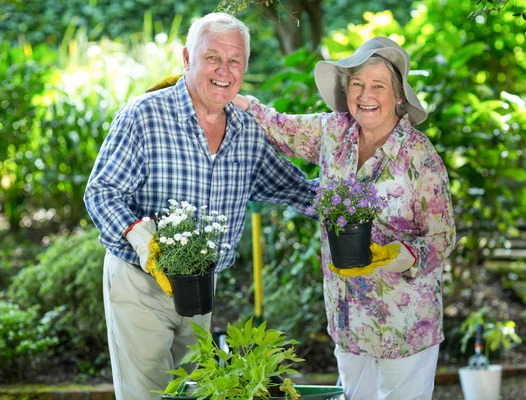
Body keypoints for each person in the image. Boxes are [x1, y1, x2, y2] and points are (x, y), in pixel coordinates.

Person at [84, 13, 315, 400]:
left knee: (196, 392)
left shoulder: (246, 132)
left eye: (235, 61)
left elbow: (299, 190)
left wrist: (362, 200)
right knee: (149, 394)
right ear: (187, 58)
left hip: (201, 290)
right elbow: (102, 192)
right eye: (213, 58)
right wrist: (143, 240)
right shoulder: (145, 116)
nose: (224, 71)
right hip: (139, 283)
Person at [233, 36, 456, 400]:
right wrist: (233, 98)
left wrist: (400, 255)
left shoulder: (419, 156)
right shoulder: (333, 132)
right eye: (357, 84)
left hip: (403, 323)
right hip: (347, 317)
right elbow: (278, 127)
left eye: (378, 86)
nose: (365, 95)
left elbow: (442, 238)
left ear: (399, 96)